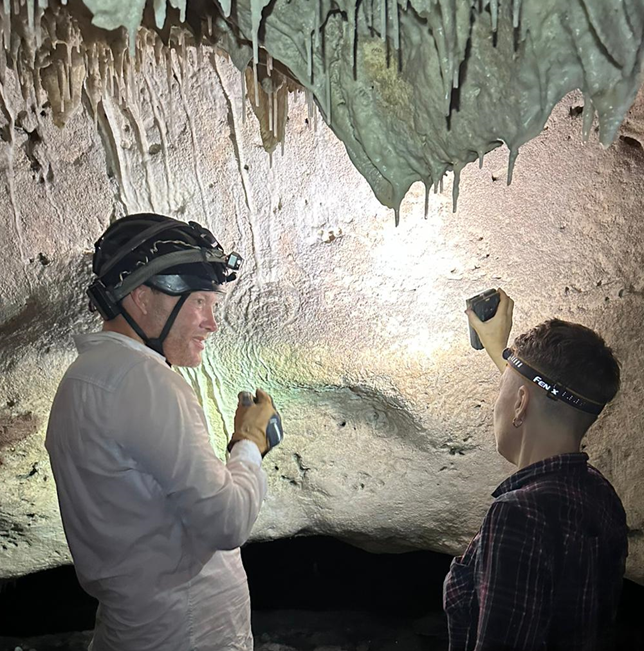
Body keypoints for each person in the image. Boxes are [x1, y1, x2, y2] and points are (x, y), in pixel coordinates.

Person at [45, 214, 282, 651]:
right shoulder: (148, 382)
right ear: (140, 298)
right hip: (187, 630)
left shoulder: (79, 380)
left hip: (132, 627)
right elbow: (226, 522)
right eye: (199, 302)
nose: (211, 323)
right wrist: (249, 443)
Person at [443, 289, 628, 651]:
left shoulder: (517, 515)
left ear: (520, 403)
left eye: (502, 390)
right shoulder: (600, 495)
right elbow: (547, 398)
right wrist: (503, 353)